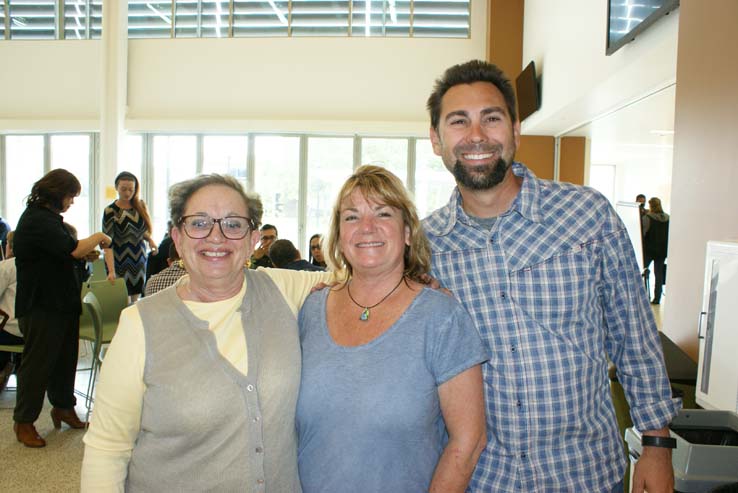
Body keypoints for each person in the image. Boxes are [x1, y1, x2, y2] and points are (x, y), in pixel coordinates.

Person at [423, 60, 680, 492]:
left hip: (586, 474)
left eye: (492, 118)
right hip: (483, 479)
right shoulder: (426, 245)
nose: (477, 136)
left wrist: (656, 445)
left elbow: (634, 337)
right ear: (436, 139)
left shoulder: (587, 216)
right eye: (458, 122)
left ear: (516, 129)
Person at [81, 174, 334, 491]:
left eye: (233, 224)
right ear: (177, 236)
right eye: (199, 223)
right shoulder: (139, 324)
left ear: (253, 238)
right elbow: (107, 450)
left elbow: (362, 274)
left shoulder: (282, 289)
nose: (216, 237)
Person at [296, 165, 488, 492]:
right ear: (339, 235)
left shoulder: (441, 316)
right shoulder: (311, 310)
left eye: (383, 214)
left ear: (408, 232)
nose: (366, 228)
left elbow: (468, 442)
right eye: (352, 217)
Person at [13, 168, 111, 448]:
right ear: (57, 193)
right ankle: (24, 421)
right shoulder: (36, 220)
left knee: (64, 360)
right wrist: (98, 237)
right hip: (41, 304)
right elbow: (72, 250)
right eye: (70, 196)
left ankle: (64, 407)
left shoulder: (50, 221)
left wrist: (82, 253)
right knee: (38, 364)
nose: (71, 202)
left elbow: (62, 254)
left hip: (61, 302)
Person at [102, 171, 157, 303]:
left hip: (139, 259)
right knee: (123, 301)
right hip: (118, 260)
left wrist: (150, 240)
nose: (127, 193)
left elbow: (139, 231)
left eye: (131, 190)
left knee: (137, 301)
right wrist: (111, 270)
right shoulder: (110, 211)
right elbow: (107, 243)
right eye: (123, 189)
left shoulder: (140, 206)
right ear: (116, 188)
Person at [0, 231, 23, 393]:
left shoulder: (7, 266)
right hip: (35, 331)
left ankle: (4, 367)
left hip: (10, 331)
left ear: (11, 247)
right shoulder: (41, 265)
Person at [642, 197, 669, 305]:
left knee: (642, 271)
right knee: (659, 275)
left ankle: (643, 296)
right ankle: (657, 298)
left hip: (649, 250)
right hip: (662, 251)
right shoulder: (668, 218)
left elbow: (643, 233)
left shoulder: (647, 218)